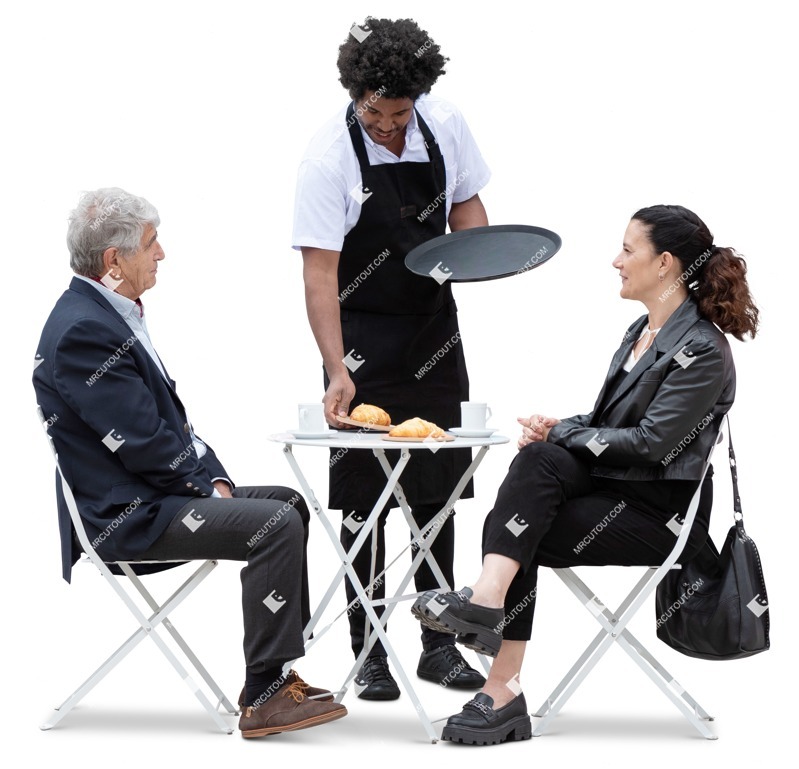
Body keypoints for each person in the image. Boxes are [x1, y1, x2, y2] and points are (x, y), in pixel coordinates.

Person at [411, 204, 759, 744]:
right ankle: (490, 625)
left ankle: (499, 677)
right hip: (614, 491)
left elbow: (651, 445)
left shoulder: (702, 350)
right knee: (530, 479)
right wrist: (558, 427)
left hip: (660, 514)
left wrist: (563, 436)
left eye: (627, 249)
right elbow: (604, 424)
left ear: (664, 263)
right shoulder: (641, 331)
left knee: (521, 525)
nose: (615, 261)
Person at [33, 188, 347, 738]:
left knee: (288, 503)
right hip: (128, 517)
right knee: (274, 523)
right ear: (114, 260)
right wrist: (206, 491)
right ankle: (265, 698)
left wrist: (216, 479)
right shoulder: (84, 331)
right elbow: (142, 443)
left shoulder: (106, 313)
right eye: (151, 244)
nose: (161, 255)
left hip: (159, 495)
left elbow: (173, 426)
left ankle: (273, 676)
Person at [293, 17, 491, 699]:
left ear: (420, 98)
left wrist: (485, 256)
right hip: (358, 333)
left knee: (435, 496)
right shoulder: (328, 158)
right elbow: (319, 277)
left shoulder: (444, 125)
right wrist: (337, 370)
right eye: (372, 112)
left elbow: (468, 216)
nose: (385, 125)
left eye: (397, 113)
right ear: (354, 95)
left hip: (432, 328)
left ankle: (439, 645)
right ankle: (369, 649)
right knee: (361, 501)